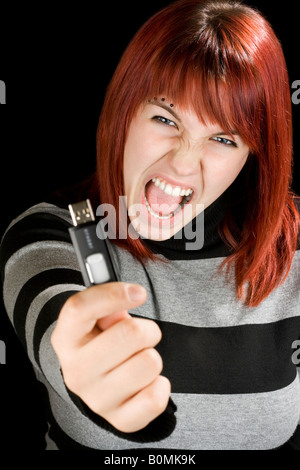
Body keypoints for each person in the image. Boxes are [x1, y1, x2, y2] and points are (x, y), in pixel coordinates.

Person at [1, 0, 299, 451]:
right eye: (165, 118)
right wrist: (86, 370)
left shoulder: (295, 247)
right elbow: (53, 322)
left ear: (252, 154)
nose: (182, 162)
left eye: (222, 138)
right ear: (124, 112)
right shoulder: (50, 234)